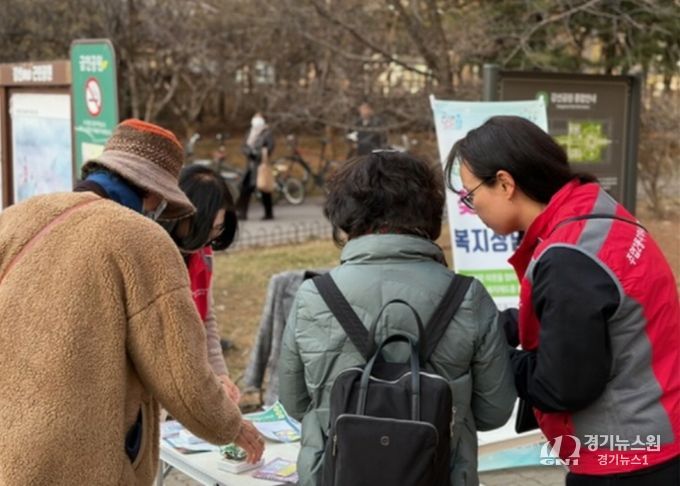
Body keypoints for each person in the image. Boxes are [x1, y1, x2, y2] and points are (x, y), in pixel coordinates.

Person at [0, 119, 264, 485]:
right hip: (87, 460)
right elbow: (182, 374)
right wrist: (231, 426)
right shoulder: (144, 239)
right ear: (155, 192)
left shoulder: (16, 216)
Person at [445, 116, 680, 485]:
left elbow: (562, 386)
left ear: (505, 184)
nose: (472, 208)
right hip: (658, 428)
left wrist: (487, 353)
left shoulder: (568, 259)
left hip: (624, 460)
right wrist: (493, 324)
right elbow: (577, 318)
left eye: (470, 195)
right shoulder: (596, 214)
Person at [278, 151, 516, 486]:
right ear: (429, 213)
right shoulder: (467, 297)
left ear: (344, 214)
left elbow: (294, 402)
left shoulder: (315, 295)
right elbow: (495, 411)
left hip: (334, 475)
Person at [162, 164, 241, 402]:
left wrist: (220, 374)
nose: (208, 239)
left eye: (217, 229)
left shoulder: (203, 253)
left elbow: (206, 319)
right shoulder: (155, 255)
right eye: (203, 228)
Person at [236, 112, 275, 221]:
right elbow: (244, 146)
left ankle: (268, 213)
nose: (256, 120)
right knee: (245, 189)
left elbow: (269, 148)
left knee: (264, 189)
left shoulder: (267, 133)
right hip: (250, 166)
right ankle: (242, 213)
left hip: (260, 166)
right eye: (255, 118)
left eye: (258, 118)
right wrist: (249, 152)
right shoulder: (250, 132)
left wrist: (256, 153)